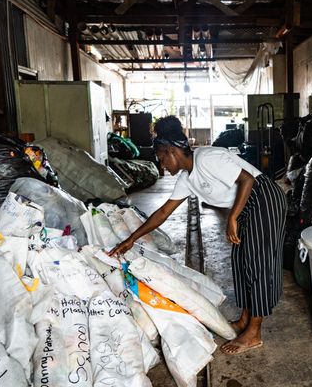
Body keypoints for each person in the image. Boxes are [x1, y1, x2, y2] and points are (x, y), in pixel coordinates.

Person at [110, 116, 287, 355]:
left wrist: (232, 218)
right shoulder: (186, 178)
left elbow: (247, 180)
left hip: (263, 197)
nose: (162, 165)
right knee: (241, 261)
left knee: (258, 263)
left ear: (171, 150)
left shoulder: (207, 158)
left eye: (162, 157)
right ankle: (246, 319)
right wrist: (131, 239)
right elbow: (163, 212)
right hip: (245, 206)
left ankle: (254, 333)